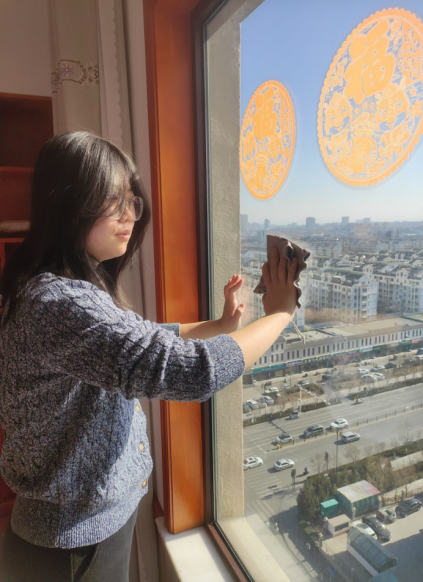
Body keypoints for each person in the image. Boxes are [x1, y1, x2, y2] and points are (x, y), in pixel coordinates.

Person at [0, 132, 297, 582]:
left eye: (131, 201)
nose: (129, 215)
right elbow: (191, 373)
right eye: (112, 200)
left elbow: (137, 341)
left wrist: (219, 326)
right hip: (70, 547)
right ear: (69, 202)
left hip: (81, 529)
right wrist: (280, 314)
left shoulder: (57, 287)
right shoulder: (58, 303)